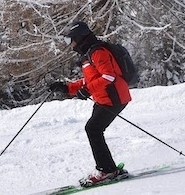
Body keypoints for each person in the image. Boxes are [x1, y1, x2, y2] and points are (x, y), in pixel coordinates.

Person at [49, 21, 133, 186]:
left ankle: (107, 170)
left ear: (79, 38)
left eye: (69, 40)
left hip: (114, 98)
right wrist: (67, 88)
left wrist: (87, 90)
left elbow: (109, 77)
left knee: (93, 129)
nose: (69, 44)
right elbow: (91, 80)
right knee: (94, 129)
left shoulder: (98, 52)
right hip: (104, 99)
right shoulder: (88, 54)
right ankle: (108, 169)